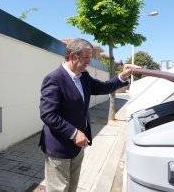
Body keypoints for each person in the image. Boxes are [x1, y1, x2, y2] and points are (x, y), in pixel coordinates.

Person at [39, 38, 139, 192]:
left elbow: (104, 87)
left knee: (72, 187)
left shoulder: (83, 76)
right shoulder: (54, 78)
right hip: (59, 148)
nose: (89, 62)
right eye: (86, 57)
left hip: (78, 145)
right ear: (73, 56)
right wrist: (73, 133)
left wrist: (123, 76)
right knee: (59, 189)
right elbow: (48, 114)